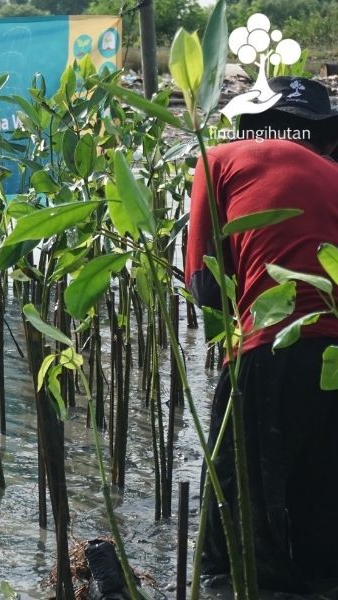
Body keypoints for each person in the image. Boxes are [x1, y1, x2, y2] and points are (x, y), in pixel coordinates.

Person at [185, 77, 338, 591]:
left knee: (237, 531)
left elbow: (205, 287)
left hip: (273, 342)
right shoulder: (334, 175)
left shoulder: (219, 158)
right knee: (322, 518)